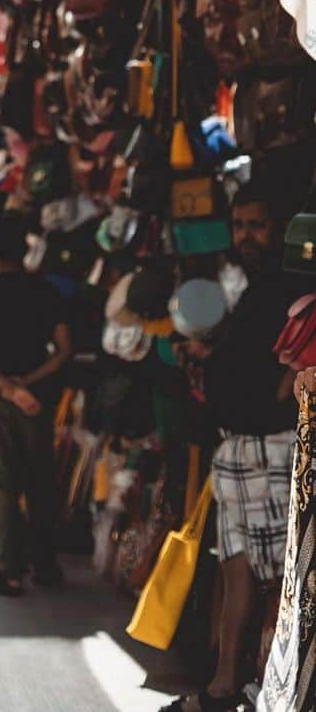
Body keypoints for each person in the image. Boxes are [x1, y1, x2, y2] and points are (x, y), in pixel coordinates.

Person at [163, 188, 302, 712]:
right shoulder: (253, 288)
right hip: (236, 449)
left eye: (257, 225)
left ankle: (263, 690)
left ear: (280, 228)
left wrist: (271, 392)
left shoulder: (292, 288)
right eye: (240, 225)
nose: (247, 235)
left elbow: (287, 370)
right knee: (237, 568)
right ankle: (224, 688)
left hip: (269, 447)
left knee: (273, 580)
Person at [0, 212, 71, 598]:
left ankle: (10, 571)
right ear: (26, 247)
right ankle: (45, 565)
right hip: (37, 402)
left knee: (0, 486)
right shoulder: (46, 291)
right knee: (40, 481)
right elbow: (63, 350)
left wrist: (7, 387)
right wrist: (29, 384)